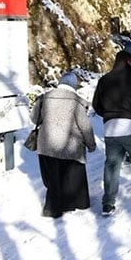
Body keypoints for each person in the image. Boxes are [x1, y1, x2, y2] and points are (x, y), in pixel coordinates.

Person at [92, 50, 131, 217]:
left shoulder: (104, 80)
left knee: (112, 164)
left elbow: (96, 105)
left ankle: (108, 203)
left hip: (111, 128)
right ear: (130, 61)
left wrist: (108, 115)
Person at [31, 72, 96, 218]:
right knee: (73, 176)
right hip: (70, 147)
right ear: (73, 85)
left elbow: (34, 118)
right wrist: (91, 144)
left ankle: (53, 207)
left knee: (53, 178)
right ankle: (75, 203)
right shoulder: (75, 101)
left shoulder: (45, 98)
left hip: (46, 144)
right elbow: (85, 126)